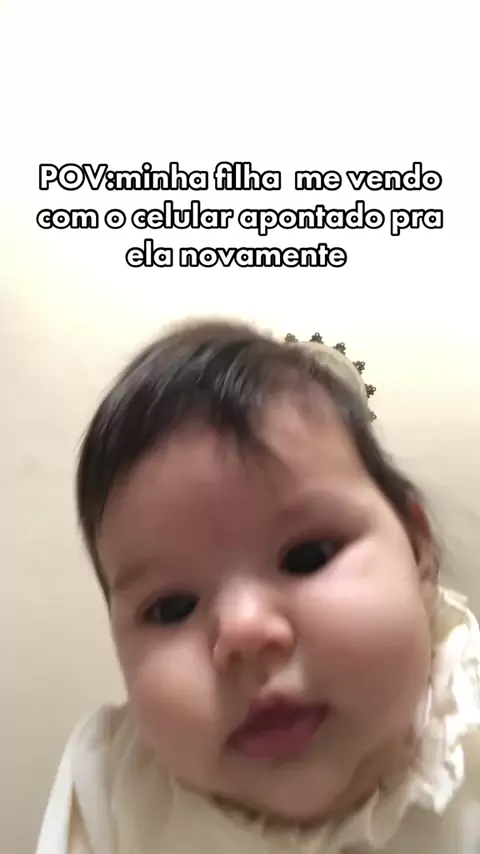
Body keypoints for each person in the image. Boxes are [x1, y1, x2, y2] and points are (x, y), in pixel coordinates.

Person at [36, 320, 480, 854]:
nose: (244, 633)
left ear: (417, 550)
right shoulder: (112, 784)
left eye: (307, 557)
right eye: (171, 607)